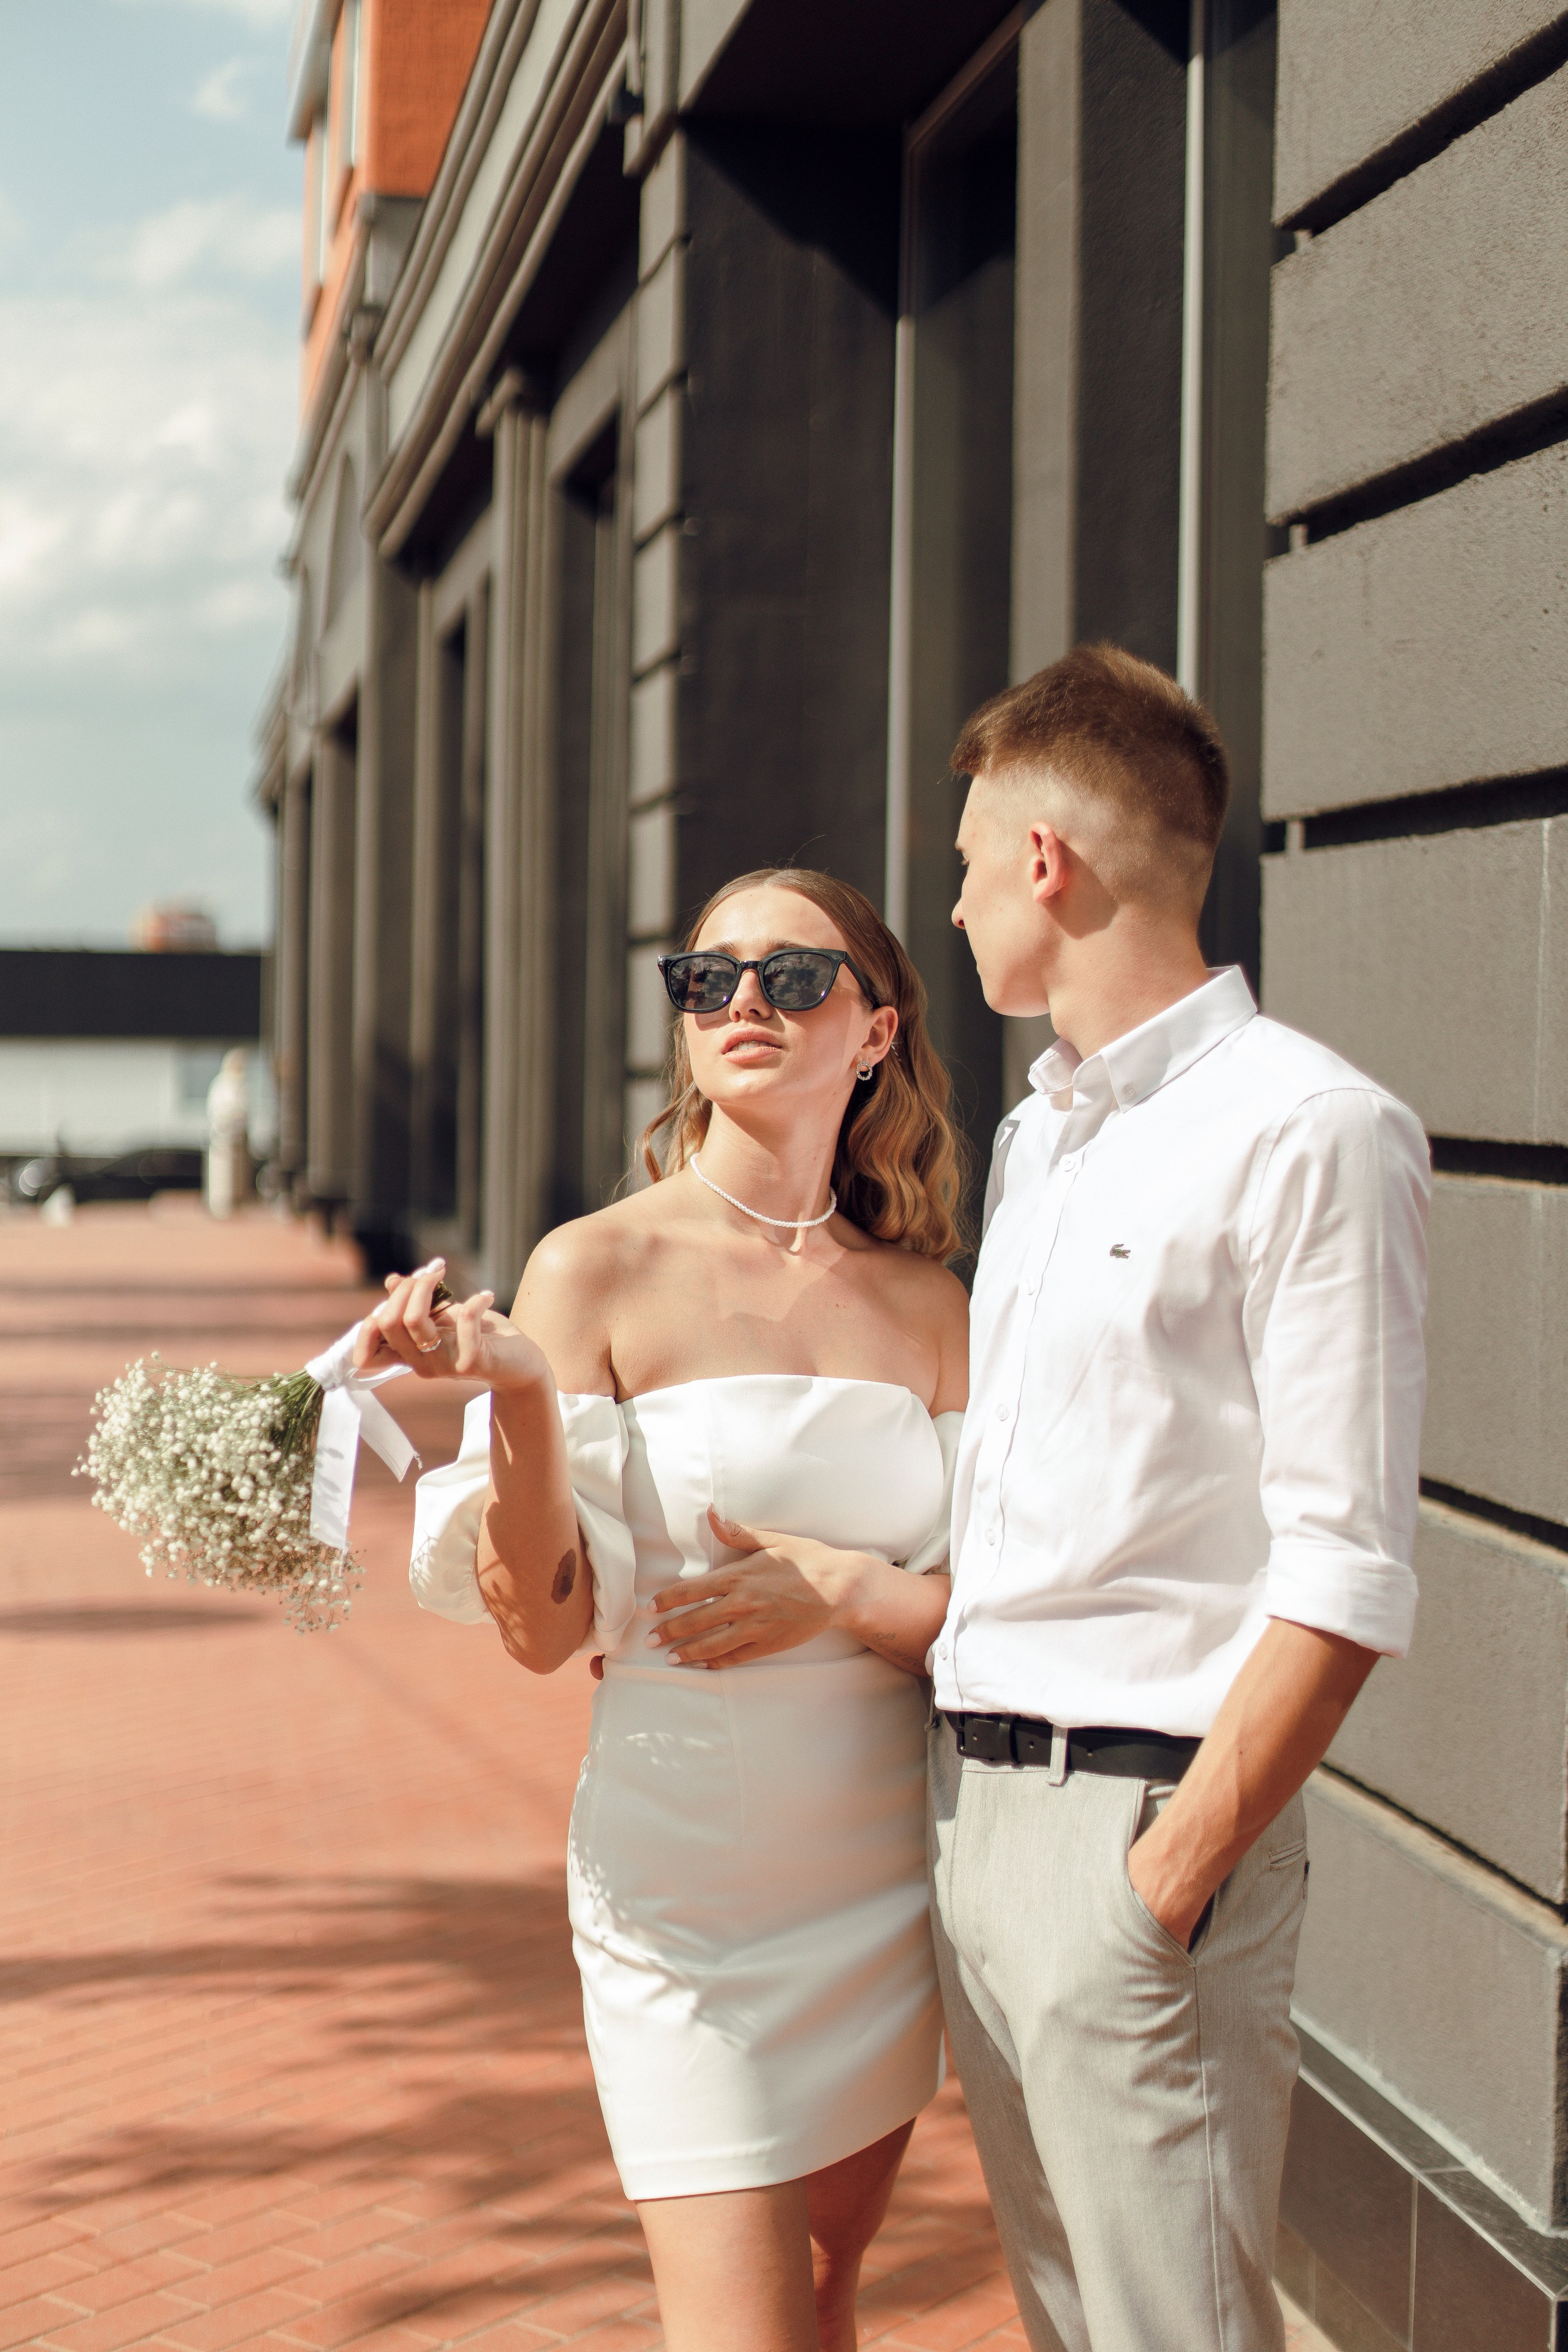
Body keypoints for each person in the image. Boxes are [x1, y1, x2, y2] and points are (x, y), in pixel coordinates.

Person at [353, 869, 971, 2352]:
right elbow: (539, 1628)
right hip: (686, 1883)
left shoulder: (932, 1305)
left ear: (876, 1030)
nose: (742, 1001)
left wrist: (843, 1593)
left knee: (821, 2298)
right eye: (706, 979)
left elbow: (998, 1605)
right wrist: (517, 1397)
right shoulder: (596, 1264)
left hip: (888, 1871)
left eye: (791, 976)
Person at [921, 643, 1430, 2352]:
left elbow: (1346, 1567)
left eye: (970, 864)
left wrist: (1168, 1874)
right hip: (980, 1817)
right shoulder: (1041, 1139)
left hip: (1140, 1828)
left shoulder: (1311, 1128)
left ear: (1046, 861)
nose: (956, 904)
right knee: (1073, 2325)